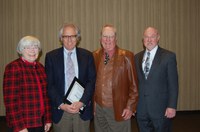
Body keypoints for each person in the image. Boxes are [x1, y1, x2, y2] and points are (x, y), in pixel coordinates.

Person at [45, 23, 96, 132]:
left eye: (72, 36)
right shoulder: (51, 57)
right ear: (61, 38)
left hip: (81, 108)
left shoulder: (87, 56)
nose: (69, 40)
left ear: (77, 38)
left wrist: (82, 102)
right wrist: (62, 105)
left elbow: (91, 82)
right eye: (65, 36)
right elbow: (50, 85)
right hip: (61, 110)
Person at [93, 24, 138, 132]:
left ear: (116, 39)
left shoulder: (127, 56)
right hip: (99, 109)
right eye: (105, 36)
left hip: (118, 108)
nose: (107, 40)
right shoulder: (95, 55)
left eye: (111, 36)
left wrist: (130, 107)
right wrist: (93, 104)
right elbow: (92, 82)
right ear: (100, 39)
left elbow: (134, 86)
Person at [3, 36, 52, 132]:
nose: (32, 50)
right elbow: (11, 102)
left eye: (35, 47)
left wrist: (48, 119)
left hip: (39, 121)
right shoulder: (13, 67)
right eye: (28, 47)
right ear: (21, 50)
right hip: (23, 124)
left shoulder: (40, 67)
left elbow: (45, 96)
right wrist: (20, 127)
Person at [134, 27, 179, 132]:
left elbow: (173, 84)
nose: (149, 40)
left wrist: (172, 106)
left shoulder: (168, 57)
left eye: (152, 37)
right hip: (141, 109)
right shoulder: (136, 57)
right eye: (146, 37)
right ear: (143, 39)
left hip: (161, 110)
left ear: (158, 38)